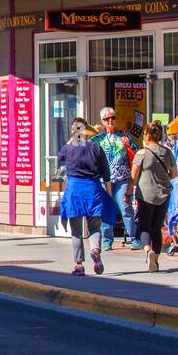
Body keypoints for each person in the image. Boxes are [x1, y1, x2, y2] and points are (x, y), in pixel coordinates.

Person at [57, 118, 119, 276]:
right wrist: (110, 195)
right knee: (94, 226)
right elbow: (106, 174)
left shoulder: (68, 148)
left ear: (73, 132)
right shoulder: (96, 148)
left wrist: (72, 139)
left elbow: (59, 162)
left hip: (74, 191)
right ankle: (95, 250)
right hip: (93, 190)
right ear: (86, 131)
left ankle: (79, 265)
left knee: (76, 230)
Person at [131, 120, 178, 274]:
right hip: (163, 195)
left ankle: (147, 250)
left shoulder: (142, 153)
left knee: (144, 226)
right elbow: (174, 174)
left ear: (148, 135)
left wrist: (128, 192)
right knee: (156, 228)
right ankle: (156, 260)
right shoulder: (167, 152)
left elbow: (134, 175)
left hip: (145, 195)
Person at [93, 107, 138, 251]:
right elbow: (84, 146)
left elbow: (137, 152)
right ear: (102, 121)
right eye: (107, 119)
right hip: (105, 179)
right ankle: (107, 240)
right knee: (106, 208)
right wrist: (94, 130)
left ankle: (134, 238)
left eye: (113, 117)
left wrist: (129, 145)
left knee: (125, 207)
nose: (110, 121)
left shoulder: (124, 136)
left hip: (122, 177)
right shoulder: (98, 138)